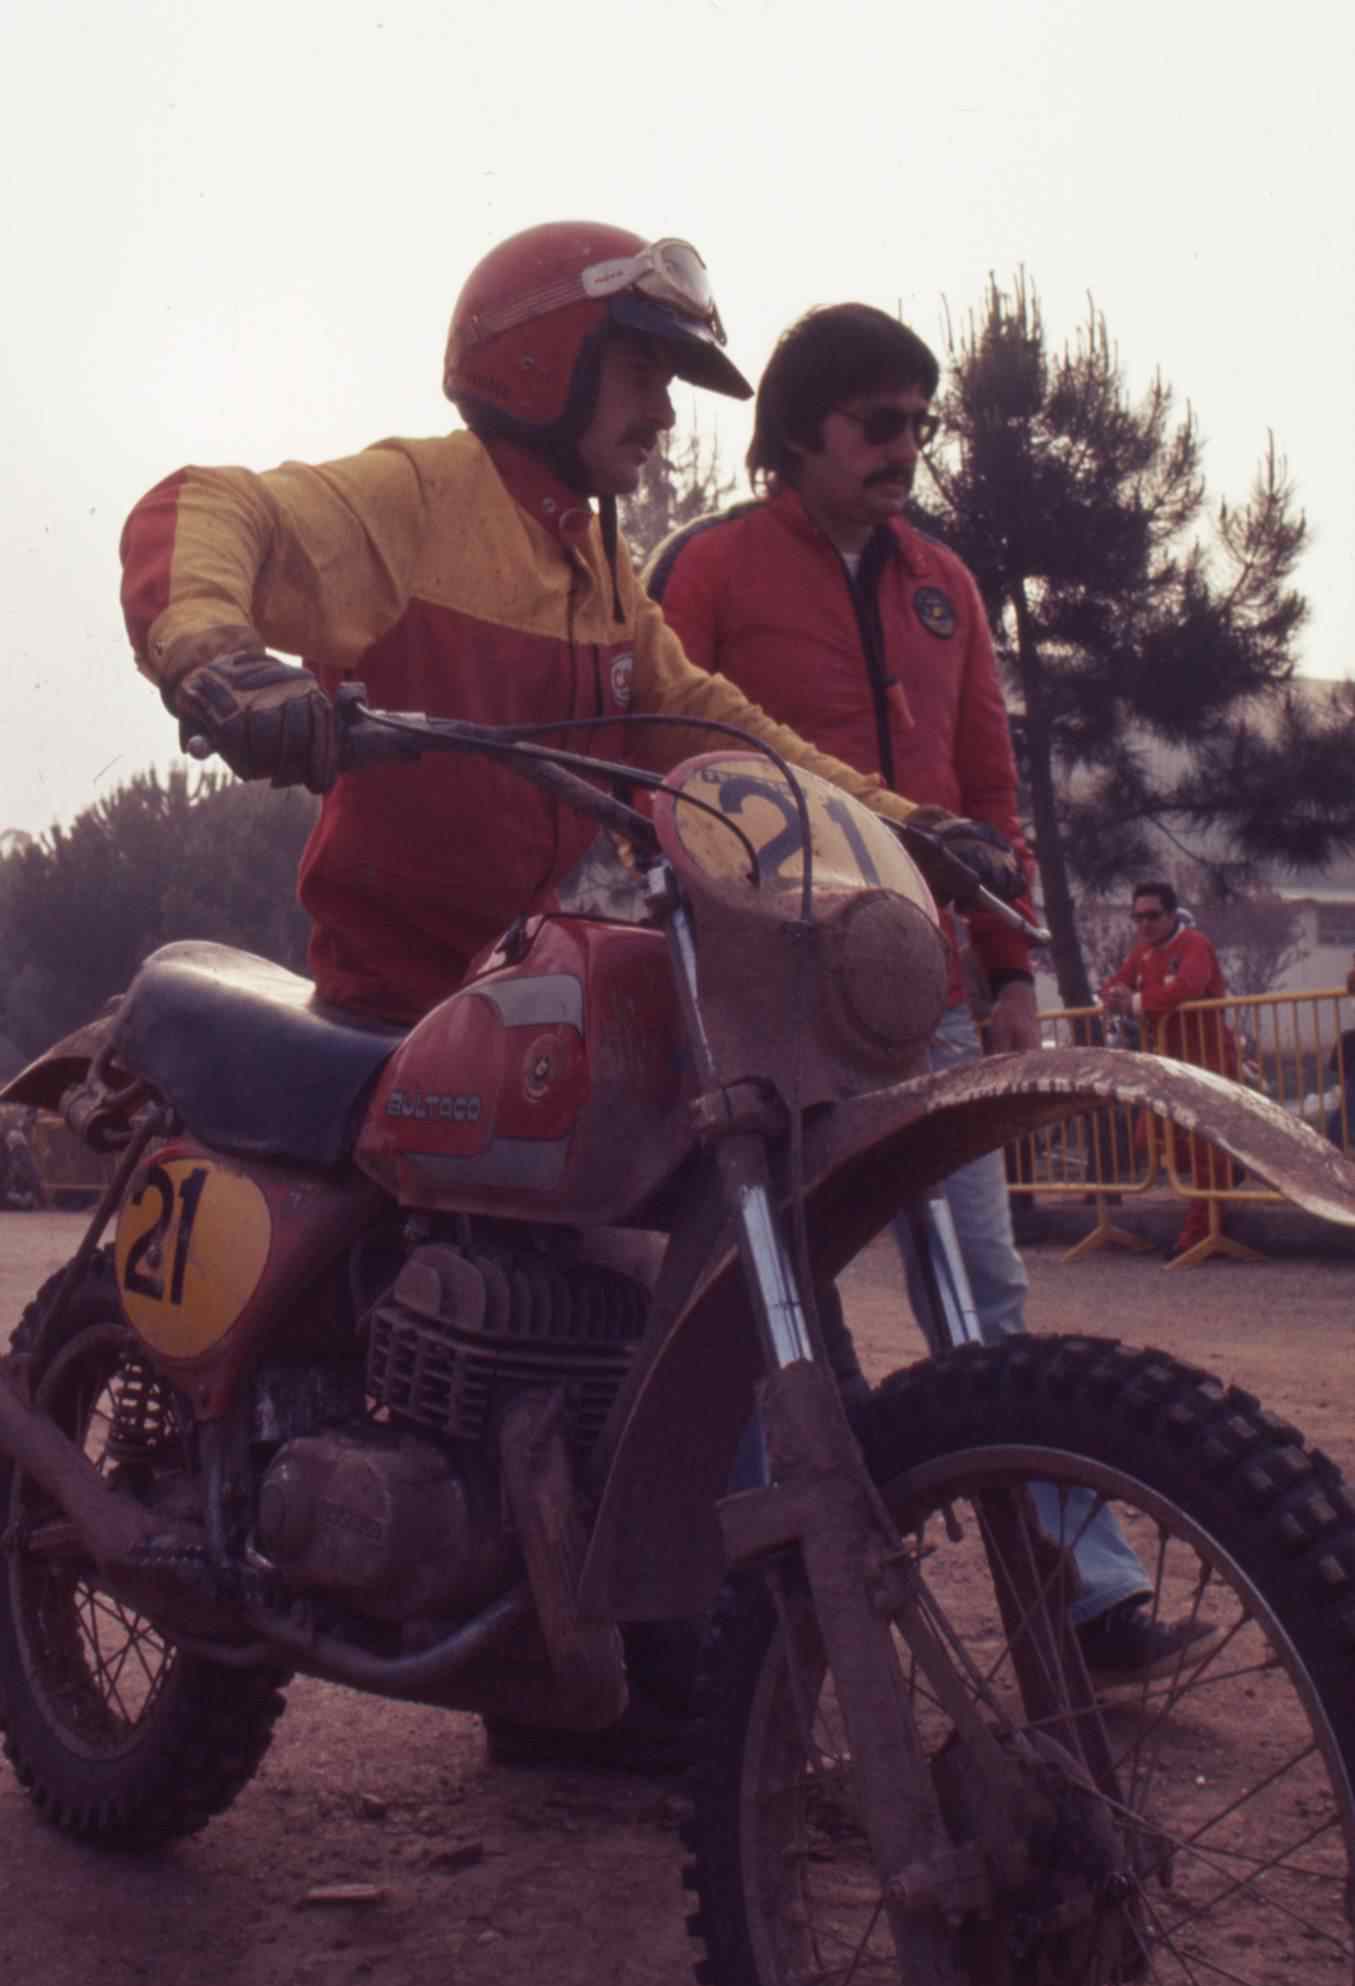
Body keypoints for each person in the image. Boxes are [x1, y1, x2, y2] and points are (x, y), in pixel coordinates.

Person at [117, 224, 1019, 1772]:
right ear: (544, 363)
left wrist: (899, 824)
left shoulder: (596, 568)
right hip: (394, 985)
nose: (664, 416)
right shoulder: (416, 499)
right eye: (642, 375)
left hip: (523, 975)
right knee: (474, 1283)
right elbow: (208, 509)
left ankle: (570, 1643)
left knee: (631, 1281)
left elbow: (701, 721)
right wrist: (218, 657)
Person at [647, 302, 1216, 1687]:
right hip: (757, 999)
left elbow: (983, 792)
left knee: (980, 1291)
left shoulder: (942, 584)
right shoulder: (705, 568)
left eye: (919, 421)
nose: (904, 446)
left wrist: (1011, 967)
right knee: (756, 1308)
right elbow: (652, 749)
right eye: (876, 422)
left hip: (928, 992)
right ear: (796, 433)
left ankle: (1078, 1606)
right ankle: (756, 1655)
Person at [1100, 883, 1240, 1256]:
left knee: (1204, 1153)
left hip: (1209, 1062)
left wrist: (1134, 1002)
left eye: (1152, 915)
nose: (1144, 924)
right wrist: (1114, 996)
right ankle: (1232, 1169)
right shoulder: (1142, 952)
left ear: (1172, 915)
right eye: (1138, 917)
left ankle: (1198, 1237)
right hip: (1168, 1066)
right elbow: (1113, 986)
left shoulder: (1195, 944)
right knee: (1148, 1138)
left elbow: (1187, 987)